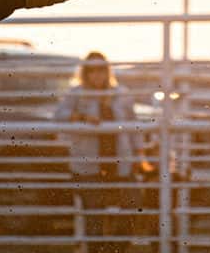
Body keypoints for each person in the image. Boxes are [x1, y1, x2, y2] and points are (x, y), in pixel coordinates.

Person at [54, 52, 147, 253]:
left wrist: (139, 156)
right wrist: (80, 117)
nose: (97, 75)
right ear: (85, 73)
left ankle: (116, 249)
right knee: (94, 214)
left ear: (107, 71)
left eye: (101, 70)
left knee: (133, 204)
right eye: (91, 70)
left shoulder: (121, 94)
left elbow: (134, 127)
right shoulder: (76, 94)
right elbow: (58, 117)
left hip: (120, 163)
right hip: (88, 165)